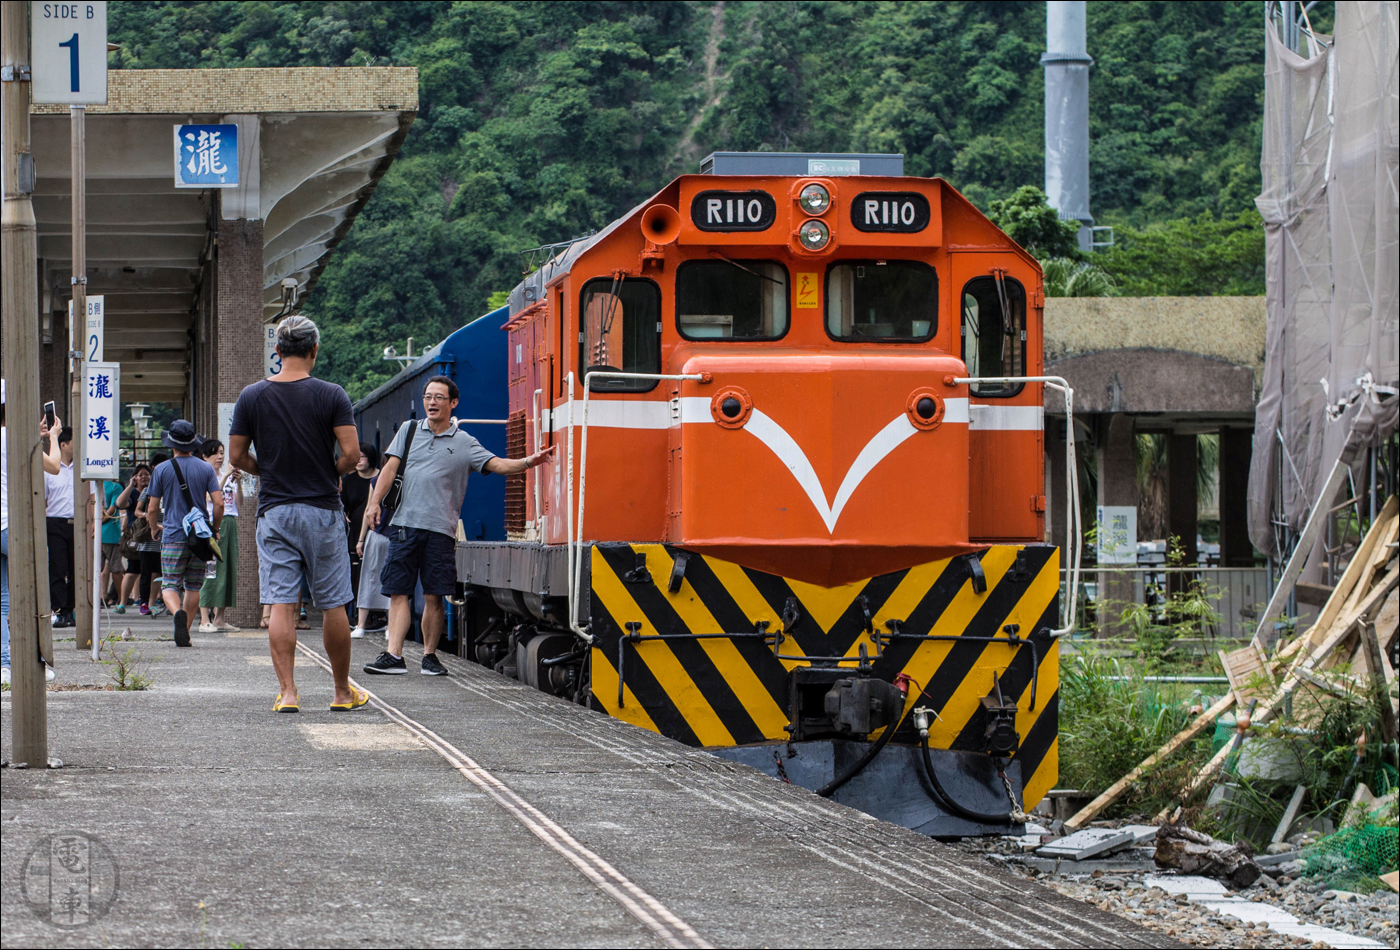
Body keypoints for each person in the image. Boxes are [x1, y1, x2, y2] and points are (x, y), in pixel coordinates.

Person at [363, 376, 551, 676]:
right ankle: (393, 656)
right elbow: (389, 469)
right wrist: (374, 504)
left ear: (453, 403)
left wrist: (529, 461)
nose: (431, 402)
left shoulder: (465, 443)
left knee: (434, 595)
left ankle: (429, 656)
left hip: (440, 530)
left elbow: (499, 465)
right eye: (427, 397)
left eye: (438, 397)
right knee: (398, 592)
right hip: (403, 525)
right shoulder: (409, 431)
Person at [228, 315, 367, 713]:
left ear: (277, 352)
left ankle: (288, 693)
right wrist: (332, 472)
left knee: (282, 603)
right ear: (314, 351)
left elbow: (237, 456)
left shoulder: (252, 396)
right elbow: (353, 455)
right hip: (322, 509)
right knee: (334, 603)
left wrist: (267, 471)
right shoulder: (331, 395)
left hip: (275, 511)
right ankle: (342, 693)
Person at [146, 421, 223, 647]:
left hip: (173, 535)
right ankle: (186, 633)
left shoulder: (161, 470)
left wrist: (153, 527)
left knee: (169, 585)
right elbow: (218, 504)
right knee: (193, 587)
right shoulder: (206, 468)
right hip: (199, 538)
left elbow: (152, 508)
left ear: (171, 444)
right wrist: (215, 529)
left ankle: (176, 611)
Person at [198, 439, 243, 633]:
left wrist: (239, 483)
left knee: (228, 570)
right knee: (210, 570)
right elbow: (209, 498)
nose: (220, 457)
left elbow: (239, 504)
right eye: (216, 453)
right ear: (205, 457)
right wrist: (224, 476)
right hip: (213, 524)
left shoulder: (226, 478)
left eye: (222, 453)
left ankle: (220, 618)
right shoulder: (205, 476)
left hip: (230, 522)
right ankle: (203, 619)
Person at [341, 443, 381, 638]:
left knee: (375, 573)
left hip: (377, 532)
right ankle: (354, 617)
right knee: (354, 574)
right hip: (355, 532)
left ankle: (375, 618)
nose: (358, 461)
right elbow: (343, 504)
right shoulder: (349, 480)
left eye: (362, 457)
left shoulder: (380, 478)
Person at [42, 425, 77, 628]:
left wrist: (91, 523)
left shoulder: (82, 467)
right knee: (57, 568)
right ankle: (58, 611)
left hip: (77, 523)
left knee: (75, 569)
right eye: (74, 441)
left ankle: (70, 610)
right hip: (54, 522)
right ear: (63, 444)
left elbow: (90, 498)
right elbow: (42, 498)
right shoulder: (49, 468)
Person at [114, 463, 151, 612]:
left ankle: (148, 601)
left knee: (151, 570)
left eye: (146, 474)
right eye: (140, 474)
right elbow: (120, 503)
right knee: (132, 570)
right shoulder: (133, 494)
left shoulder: (154, 492)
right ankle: (122, 602)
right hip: (136, 536)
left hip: (152, 535)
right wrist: (130, 486)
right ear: (135, 477)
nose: (144, 477)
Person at [98, 476, 124, 607]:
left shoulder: (91, 485)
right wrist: (99, 524)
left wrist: (94, 527)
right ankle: (121, 600)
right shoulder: (116, 487)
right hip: (111, 534)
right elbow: (112, 509)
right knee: (116, 569)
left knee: (95, 569)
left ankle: (96, 598)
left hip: (95, 535)